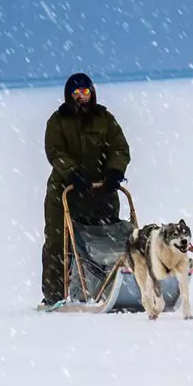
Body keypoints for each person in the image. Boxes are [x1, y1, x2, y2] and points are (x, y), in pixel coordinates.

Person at [41, 72, 131, 306]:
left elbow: (120, 148)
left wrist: (114, 171)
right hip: (65, 192)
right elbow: (55, 151)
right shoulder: (58, 121)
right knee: (58, 243)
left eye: (86, 92)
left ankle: (107, 289)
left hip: (101, 192)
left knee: (107, 240)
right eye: (77, 93)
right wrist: (71, 172)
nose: (82, 97)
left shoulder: (104, 119)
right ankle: (54, 296)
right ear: (69, 95)